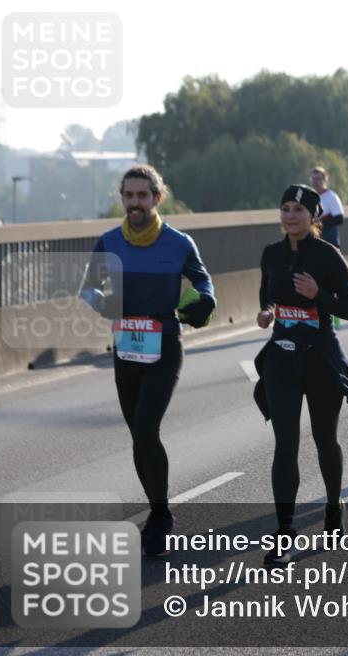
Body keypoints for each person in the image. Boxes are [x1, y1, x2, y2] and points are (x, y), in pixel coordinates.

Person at [80, 165, 216, 557]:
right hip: (126, 349)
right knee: (137, 437)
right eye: (129, 196)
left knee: (145, 429)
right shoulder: (108, 243)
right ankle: (158, 508)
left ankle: (160, 515)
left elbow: (204, 281)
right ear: (122, 199)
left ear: (157, 198)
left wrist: (205, 302)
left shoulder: (178, 243)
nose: (134, 203)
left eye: (142, 196)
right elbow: (87, 289)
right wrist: (104, 305)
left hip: (165, 346)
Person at [253, 184, 348, 564]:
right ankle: (284, 531)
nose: (290, 215)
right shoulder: (271, 254)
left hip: (320, 357)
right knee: (285, 444)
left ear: (314, 217)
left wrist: (317, 294)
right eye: (285, 208)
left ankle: (334, 503)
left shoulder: (328, 255)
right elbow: (265, 294)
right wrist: (267, 312)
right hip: (282, 357)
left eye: (298, 210)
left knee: (324, 440)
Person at [310, 167, 345, 248]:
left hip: (329, 240)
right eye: (313, 178)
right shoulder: (309, 196)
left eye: (318, 178)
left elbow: (339, 219)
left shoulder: (331, 196)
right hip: (313, 239)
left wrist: (319, 222)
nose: (315, 181)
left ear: (325, 179)